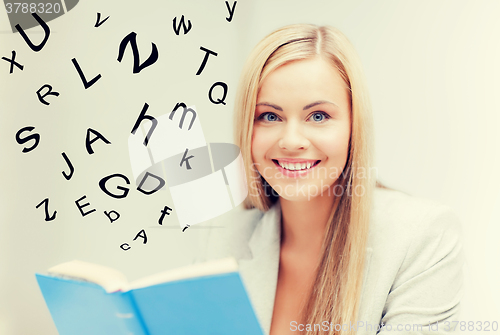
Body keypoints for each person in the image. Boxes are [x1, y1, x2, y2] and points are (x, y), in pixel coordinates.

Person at [198, 24, 463, 335]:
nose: (291, 141)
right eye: (270, 116)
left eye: (319, 116)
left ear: (354, 127)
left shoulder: (422, 237)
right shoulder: (222, 237)